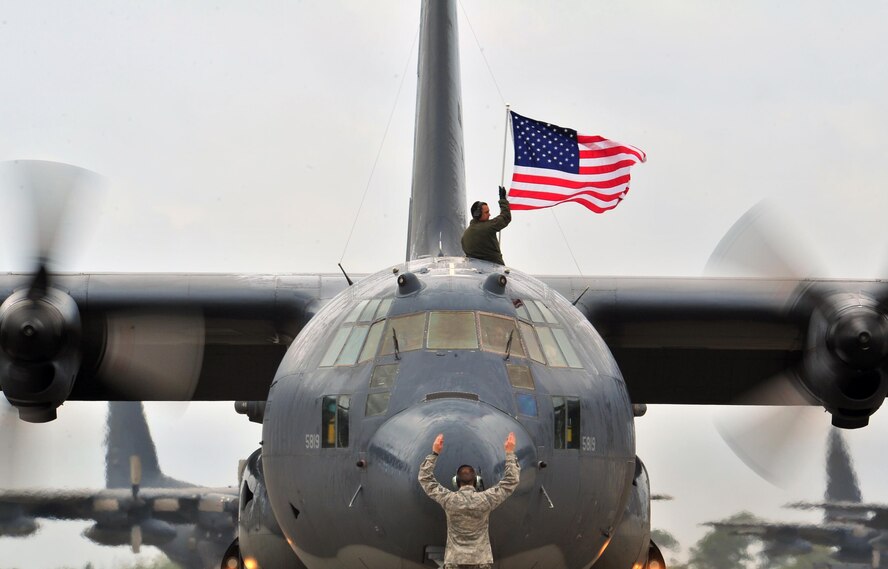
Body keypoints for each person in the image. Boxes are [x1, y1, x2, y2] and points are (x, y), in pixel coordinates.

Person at [418, 432, 520, 569]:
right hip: (481, 562)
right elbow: (511, 481)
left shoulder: (449, 500)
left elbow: (425, 478)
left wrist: (434, 453)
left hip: (454, 562)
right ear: (477, 481)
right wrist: (509, 453)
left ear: (456, 482)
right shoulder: (486, 499)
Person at [461, 185, 511, 265]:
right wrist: (503, 200)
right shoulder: (488, 227)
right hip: (494, 269)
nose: (489, 214)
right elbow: (506, 217)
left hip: (476, 273)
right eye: (486, 212)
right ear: (478, 214)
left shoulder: (465, 236)